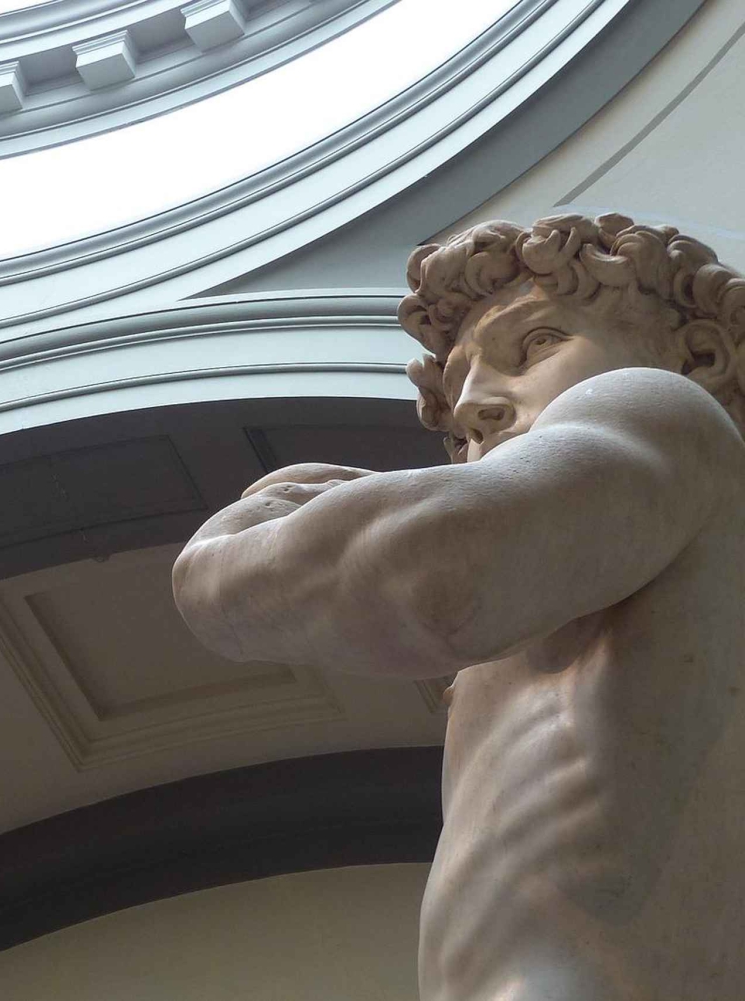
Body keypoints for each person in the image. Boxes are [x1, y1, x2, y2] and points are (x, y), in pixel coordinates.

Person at [172, 214, 745, 1001]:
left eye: (534, 343)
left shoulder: (665, 409)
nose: (472, 402)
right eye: (459, 381)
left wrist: (230, 546)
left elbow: (440, 573)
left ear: (702, 357)